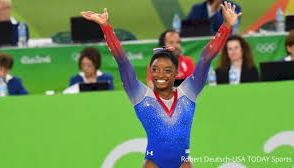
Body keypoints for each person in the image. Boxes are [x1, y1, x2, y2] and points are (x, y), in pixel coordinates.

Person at [81, 2, 241, 167]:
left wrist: (226, 26)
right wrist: (106, 27)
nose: (160, 75)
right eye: (155, 69)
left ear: (175, 73)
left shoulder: (188, 93)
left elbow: (206, 58)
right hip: (153, 164)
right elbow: (122, 61)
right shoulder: (141, 95)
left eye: (167, 70)